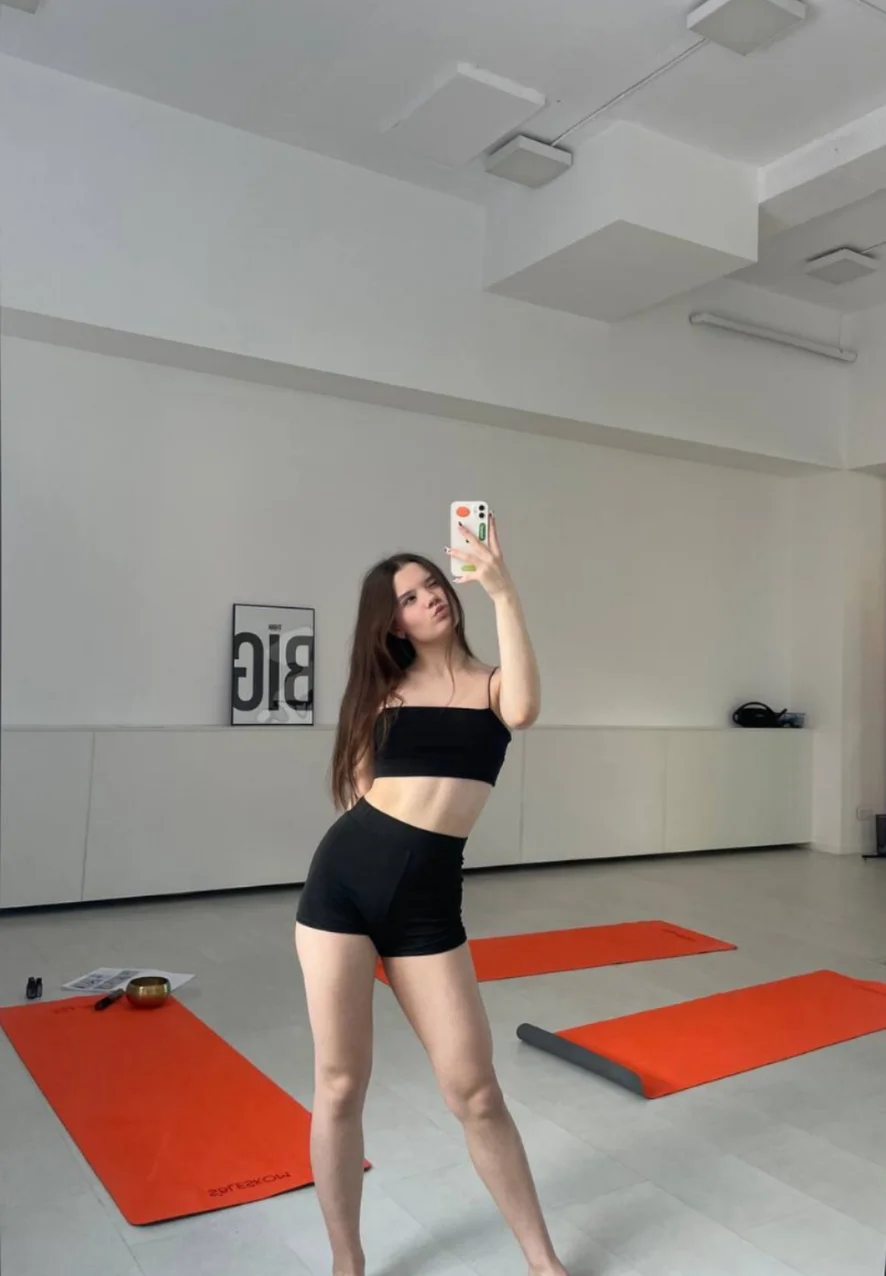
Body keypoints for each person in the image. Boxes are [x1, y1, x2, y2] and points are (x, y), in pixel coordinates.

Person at [295, 512, 568, 1276]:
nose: (429, 598)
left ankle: (544, 1262)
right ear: (394, 624)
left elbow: (525, 710)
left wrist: (502, 589)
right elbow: (361, 790)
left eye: (433, 584)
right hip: (342, 893)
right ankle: (348, 1263)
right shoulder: (381, 694)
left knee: (475, 1092)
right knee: (340, 1084)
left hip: (427, 908)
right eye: (408, 598)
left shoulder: (493, 686)